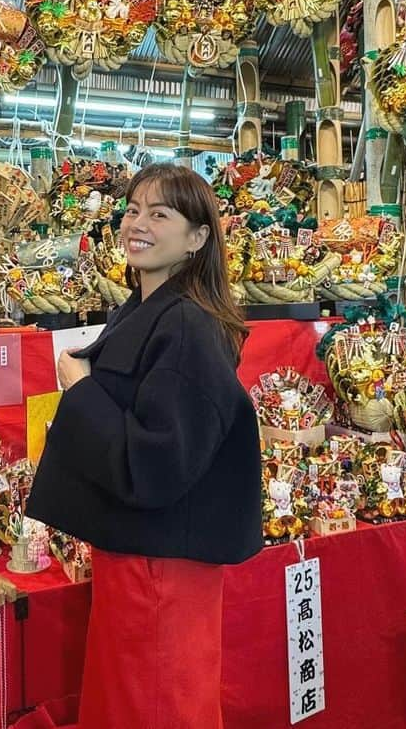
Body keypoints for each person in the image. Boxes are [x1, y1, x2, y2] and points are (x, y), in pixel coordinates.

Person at [26, 163, 262, 729]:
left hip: (161, 570)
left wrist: (79, 390)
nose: (138, 223)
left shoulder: (186, 324)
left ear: (197, 238)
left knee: (152, 705)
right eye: (133, 209)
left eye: (160, 214)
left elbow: (157, 462)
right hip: (138, 555)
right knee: (127, 701)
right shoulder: (146, 310)